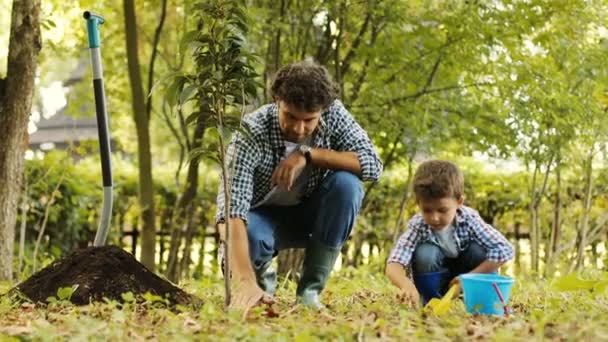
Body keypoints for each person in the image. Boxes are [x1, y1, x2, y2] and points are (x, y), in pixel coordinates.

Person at [216, 60, 383, 310]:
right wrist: (244, 281)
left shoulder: (334, 114)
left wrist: (308, 154)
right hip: (259, 221)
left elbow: (372, 165)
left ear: (322, 112)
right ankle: (259, 289)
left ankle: (310, 293)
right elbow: (230, 214)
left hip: (310, 217)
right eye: (290, 116)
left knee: (348, 185)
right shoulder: (250, 132)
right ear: (277, 101)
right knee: (249, 234)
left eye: (309, 120)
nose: (298, 128)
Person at [385, 160, 514, 307]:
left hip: (468, 274)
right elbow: (394, 263)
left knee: (478, 251)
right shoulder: (418, 226)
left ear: (459, 202)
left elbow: (504, 250)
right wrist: (406, 285)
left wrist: (468, 279)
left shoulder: (469, 220)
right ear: (418, 203)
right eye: (427, 210)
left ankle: (478, 299)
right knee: (426, 253)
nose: (434, 217)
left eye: (442, 210)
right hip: (438, 276)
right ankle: (430, 301)